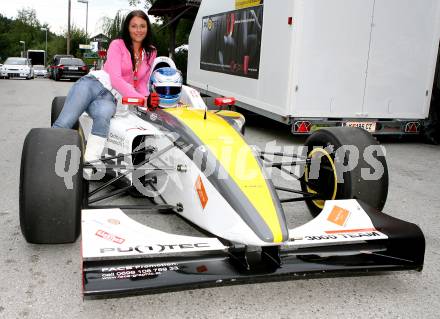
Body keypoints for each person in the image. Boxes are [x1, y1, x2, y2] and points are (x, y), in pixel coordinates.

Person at [52, 10, 159, 163]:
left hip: (111, 98)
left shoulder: (151, 52)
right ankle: (48, 164)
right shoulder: (117, 44)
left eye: (142, 26)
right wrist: (142, 100)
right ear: (127, 28)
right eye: (134, 26)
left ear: (147, 28)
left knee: (104, 115)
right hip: (92, 85)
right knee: (65, 122)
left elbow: (141, 83)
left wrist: (149, 100)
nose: (138, 30)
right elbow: (115, 79)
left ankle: (89, 165)